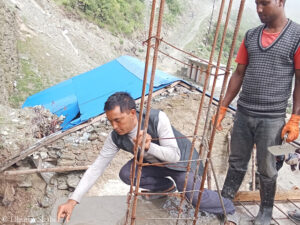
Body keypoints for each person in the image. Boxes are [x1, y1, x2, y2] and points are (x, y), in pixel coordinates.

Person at [57, 92, 236, 224]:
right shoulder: (115, 136)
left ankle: (229, 208)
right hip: (155, 164)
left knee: (195, 198)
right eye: (110, 121)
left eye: (118, 120)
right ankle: (166, 187)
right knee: (127, 173)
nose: (114, 126)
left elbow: (174, 156)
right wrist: (73, 200)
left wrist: (150, 146)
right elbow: (97, 167)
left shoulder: (156, 118)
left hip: (183, 163)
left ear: (132, 113)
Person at [213, 0, 300, 225]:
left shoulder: (297, 36)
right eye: (256, 4)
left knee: (267, 168)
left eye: (264, 3)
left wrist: (295, 117)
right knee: (237, 162)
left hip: (272, 118)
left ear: (281, 2)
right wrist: (223, 106)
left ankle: (266, 212)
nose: (259, 9)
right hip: (243, 113)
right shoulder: (251, 35)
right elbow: (239, 73)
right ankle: (225, 202)